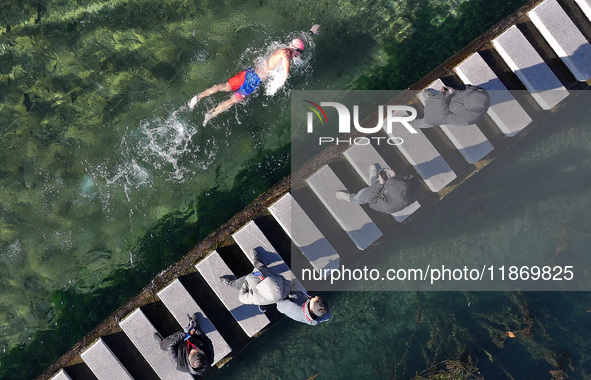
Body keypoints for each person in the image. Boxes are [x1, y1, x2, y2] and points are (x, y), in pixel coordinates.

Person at [188, 25, 319, 125]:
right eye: (299, 53)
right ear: (295, 50)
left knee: (225, 86)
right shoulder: (285, 55)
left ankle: (198, 97)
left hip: (250, 72)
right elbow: (286, 65)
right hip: (253, 81)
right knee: (234, 100)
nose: (298, 56)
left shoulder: (284, 49)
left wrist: (311, 32)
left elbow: (298, 42)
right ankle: (211, 114)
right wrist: (284, 78)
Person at [219, 248, 291, 308]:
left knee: (240, 284)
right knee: (262, 269)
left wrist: (245, 285)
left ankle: (230, 283)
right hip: (267, 275)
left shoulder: (256, 298)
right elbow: (281, 278)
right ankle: (257, 261)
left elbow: (241, 298)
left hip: (250, 285)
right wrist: (273, 275)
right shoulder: (287, 288)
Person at [335, 164, 419, 215]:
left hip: (375, 197)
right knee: (382, 180)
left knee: (360, 197)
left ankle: (350, 198)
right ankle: (373, 181)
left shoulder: (388, 207)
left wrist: (380, 184)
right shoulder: (414, 188)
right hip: (387, 186)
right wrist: (395, 176)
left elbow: (372, 200)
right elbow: (411, 178)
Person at [412, 84, 490, 129]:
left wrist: (441, 97)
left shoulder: (466, 120)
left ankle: (415, 124)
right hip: (452, 101)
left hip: (448, 113)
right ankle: (433, 99)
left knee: (431, 119)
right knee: (439, 101)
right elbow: (466, 87)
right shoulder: (480, 93)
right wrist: (454, 91)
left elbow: (444, 117)